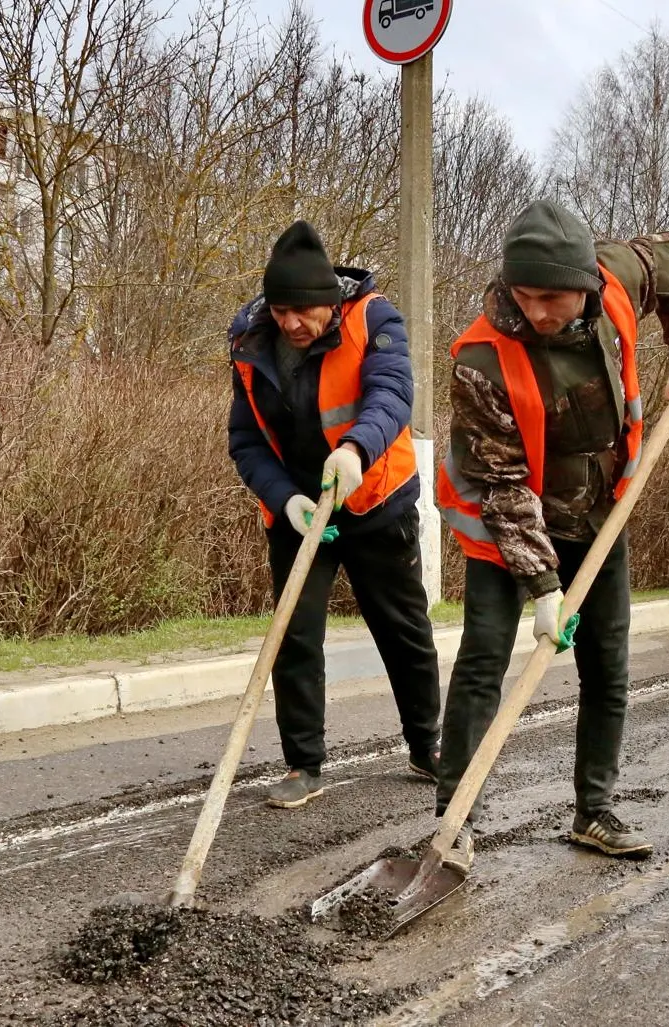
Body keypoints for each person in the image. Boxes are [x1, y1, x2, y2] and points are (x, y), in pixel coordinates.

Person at [434, 199, 669, 874]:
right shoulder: (481, 359)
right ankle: (453, 822)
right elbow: (502, 484)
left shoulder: (617, 280)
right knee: (483, 663)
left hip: (598, 515)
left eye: (552, 298)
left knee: (607, 666)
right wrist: (544, 589)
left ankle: (595, 810)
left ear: (585, 284)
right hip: (508, 526)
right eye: (523, 295)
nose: (536, 311)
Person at [227, 220, 441, 809]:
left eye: (304, 311)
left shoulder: (374, 320)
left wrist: (354, 450)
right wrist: (283, 499)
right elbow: (245, 440)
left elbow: (392, 395)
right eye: (281, 310)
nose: (292, 323)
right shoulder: (250, 342)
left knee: (402, 629)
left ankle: (427, 744)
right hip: (300, 509)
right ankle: (303, 763)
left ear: (330, 302)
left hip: (373, 497)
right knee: (294, 634)